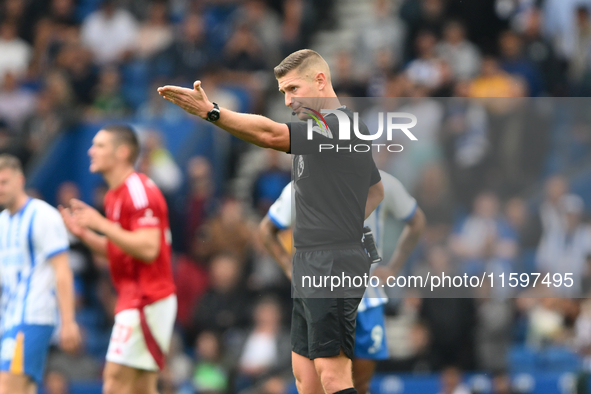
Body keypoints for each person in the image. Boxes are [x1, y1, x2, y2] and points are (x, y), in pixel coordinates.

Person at [158, 49, 385, 394]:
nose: (289, 99)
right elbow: (376, 192)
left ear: (320, 80)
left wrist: (212, 112)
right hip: (311, 259)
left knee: (331, 373)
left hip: (332, 260)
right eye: (283, 93)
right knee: (305, 376)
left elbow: (271, 135)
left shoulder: (339, 124)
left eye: (294, 88)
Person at [259, 170, 426, 394]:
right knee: (319, 383)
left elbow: (417, 221)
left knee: (359, 384)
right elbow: (266, 229)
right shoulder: (302, 187)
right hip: (321, 294)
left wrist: (393, 268)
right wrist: (290, 269)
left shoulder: (384, 183)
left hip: (367, 297)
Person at [58, 125, 176, 394]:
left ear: (122, 152)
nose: (91, 151)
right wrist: (84, 234)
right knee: (141, 387)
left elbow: (148, 248)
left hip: (147, 298)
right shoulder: (114, 195)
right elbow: (119, 251)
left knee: (113, 382)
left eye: (99, 145)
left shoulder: (138, 190)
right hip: (139, 297)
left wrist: (101, 223)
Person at [0, 154, 81, 394]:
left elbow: (62, 270)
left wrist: (68, 321)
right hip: (9, 318)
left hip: (33, 315)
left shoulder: (43, 216)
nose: (0, 188)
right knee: (23, 388)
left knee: (6, 386)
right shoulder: (2, 222)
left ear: (20, 180)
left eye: (5, 182)